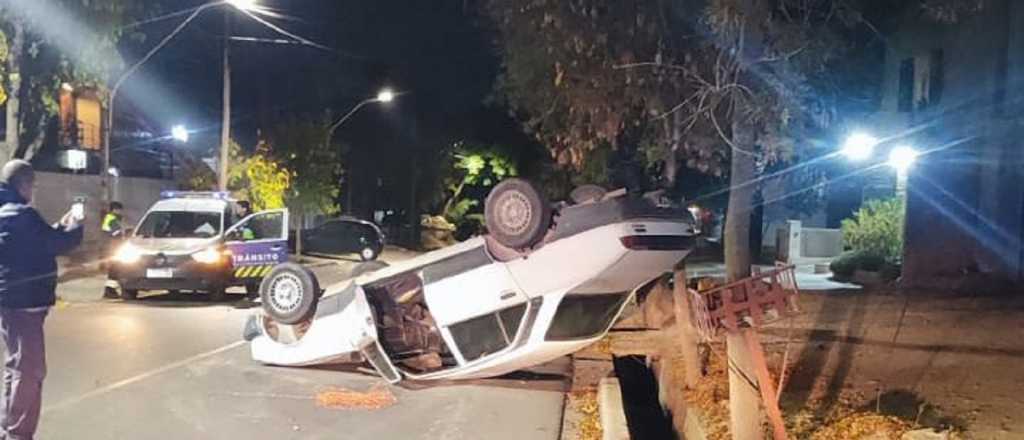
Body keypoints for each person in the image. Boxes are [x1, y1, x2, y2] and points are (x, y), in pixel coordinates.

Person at [0, 160, 83, 440]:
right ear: (24, 185)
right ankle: (18, 434)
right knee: (31, 369)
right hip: (25, 303)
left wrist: (60, 225)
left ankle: (8, 428)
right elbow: (55, 243)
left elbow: (40, 239)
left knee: (16, 364)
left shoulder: (7, 213)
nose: (33, 191)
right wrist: (76, 225)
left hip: (10, 302)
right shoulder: (23, 215)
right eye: (32, 186)